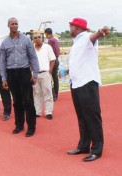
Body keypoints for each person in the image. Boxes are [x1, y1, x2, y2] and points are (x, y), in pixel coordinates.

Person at [66, 18, 110, 162]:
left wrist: (100, 31)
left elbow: (94, 36)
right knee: (82, 117)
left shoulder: (86, 37)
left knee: (92, 117)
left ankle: (96, 149)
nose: (69, 28)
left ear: (77, 28)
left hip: (87, 83)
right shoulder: (76, 41)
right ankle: (83, 145)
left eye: (71, 26)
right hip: (76, 83)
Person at [0, 17, 40, 137]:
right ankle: (19, 125)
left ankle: (31, 127)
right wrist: (4, 78)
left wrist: (35, 74)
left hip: (24, 73)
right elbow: (2, 62)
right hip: (11, 74)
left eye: (16, 23)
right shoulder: (4, 43)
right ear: (8, 26)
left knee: (28, 100)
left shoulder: (26, 40)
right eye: (12, 23)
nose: (14, 25)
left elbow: (33, 57)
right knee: (17, 102)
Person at [33, 33, 55, 120]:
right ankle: (37, 112)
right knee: (36, 93)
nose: (37, 39)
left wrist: (50, 72)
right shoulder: (31, 48)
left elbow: (52, 60)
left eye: (39, 37)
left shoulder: (47, 47)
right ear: (33, 39)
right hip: (35, 74)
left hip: (45, 73)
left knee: (47, 92)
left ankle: (48, 112)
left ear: (42, 38)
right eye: (35, 37)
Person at [44, 28, 60, 101]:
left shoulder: (50, 40)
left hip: (52, 61)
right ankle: (56, 94)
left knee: (49, 77)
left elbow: (50, 52)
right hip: (57, 59)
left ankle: (53, 95)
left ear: (47, 33)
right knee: (55, 78)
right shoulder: (56, 40)